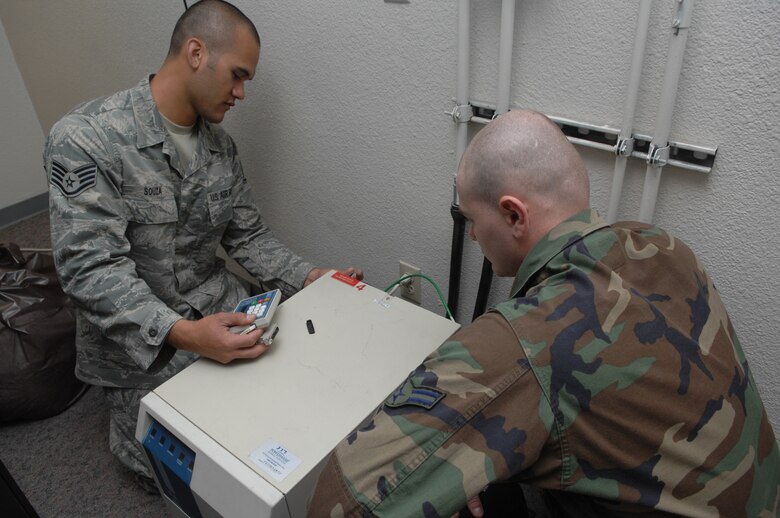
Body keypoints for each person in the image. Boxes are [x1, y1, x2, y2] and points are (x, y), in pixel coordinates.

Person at [307, 110, 779, 516]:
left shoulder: (532, 337)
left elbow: (344, 502)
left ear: (513, 215)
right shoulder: (664, 247)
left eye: (473, 220)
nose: (472, 236)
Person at [43, 0, 361, 491]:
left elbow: (248, 236)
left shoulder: (220, 147)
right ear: (195, 52)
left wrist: (310, 277)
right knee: (186, 467)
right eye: (237, 76)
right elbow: (90, 271)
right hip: (139, 340)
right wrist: (186, 335)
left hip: (213, 300)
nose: (240, 94)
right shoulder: (88, 139)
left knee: (293, 395)